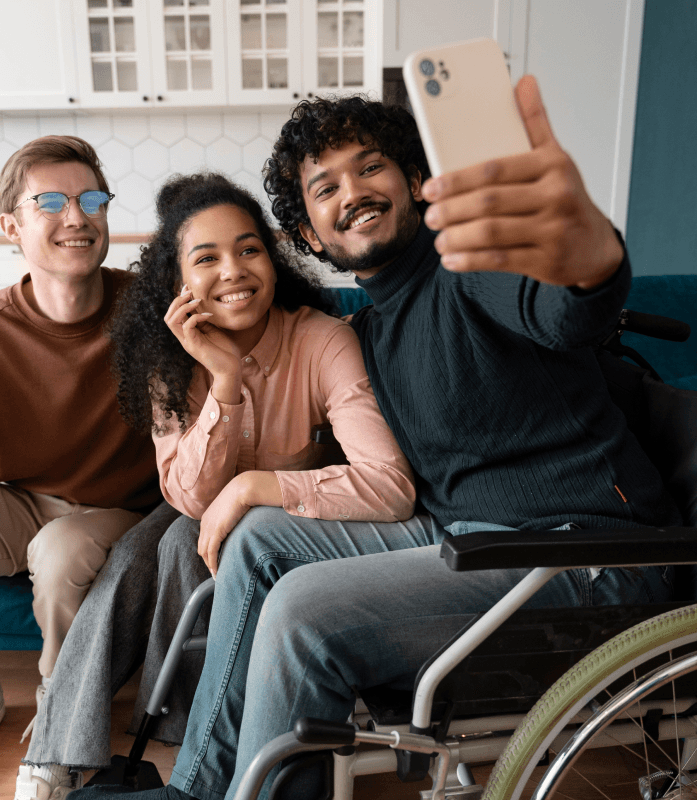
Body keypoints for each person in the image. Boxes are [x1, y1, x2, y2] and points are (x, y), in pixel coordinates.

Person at [69, 76, 681, 800]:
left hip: (585, 558)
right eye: (323, 187)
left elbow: (561, 308)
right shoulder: (369, 328)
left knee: (305, 613)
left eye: (369, 167)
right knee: (261, 539)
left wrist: (588, 260)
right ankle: (196, 790)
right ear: (306, 233)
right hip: (473, 537)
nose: (350, 191)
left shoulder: (470, 269)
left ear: (417, 181)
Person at [13, 172, 417, 800]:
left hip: (300, 523)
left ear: (274, 260)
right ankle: (60, 754)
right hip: (196, 514)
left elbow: (389, 485)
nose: (234, 270)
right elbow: (193, 499)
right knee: (154, 548)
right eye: (207, 258)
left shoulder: (323, 341)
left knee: (181, 543)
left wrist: (257, 484)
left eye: (250, 249)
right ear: (179, 286)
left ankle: (186, 738)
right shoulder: (168, 359)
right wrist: (224, 380)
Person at [0, 136, 164, 797]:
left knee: (63, 548)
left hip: (117, 511)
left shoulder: (149, 313)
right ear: (11, 227)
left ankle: (61, 710)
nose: (77, 216)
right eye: (50, 201)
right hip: (19, 501)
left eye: (91, 199)